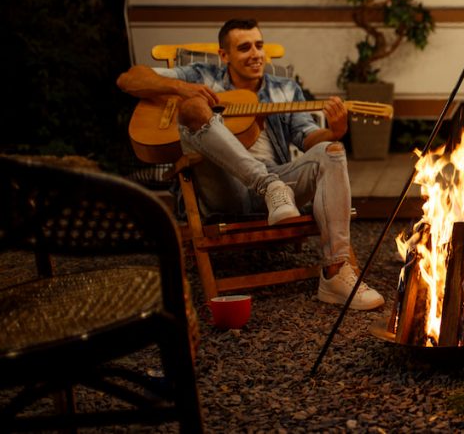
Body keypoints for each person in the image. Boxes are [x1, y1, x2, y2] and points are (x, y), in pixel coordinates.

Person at [117, 18, 385, 310]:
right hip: (224, 187)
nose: (256, 53)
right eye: (244, 48)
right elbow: (129, 79)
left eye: (259, 45)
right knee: (193, 107)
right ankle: (268, 185)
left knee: (331, 150)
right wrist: (181, 89)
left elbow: (307, 138)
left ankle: (335, 274)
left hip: (284, 195)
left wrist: (334, 131)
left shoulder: (285, 89)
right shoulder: (199, 76)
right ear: (224, 56)